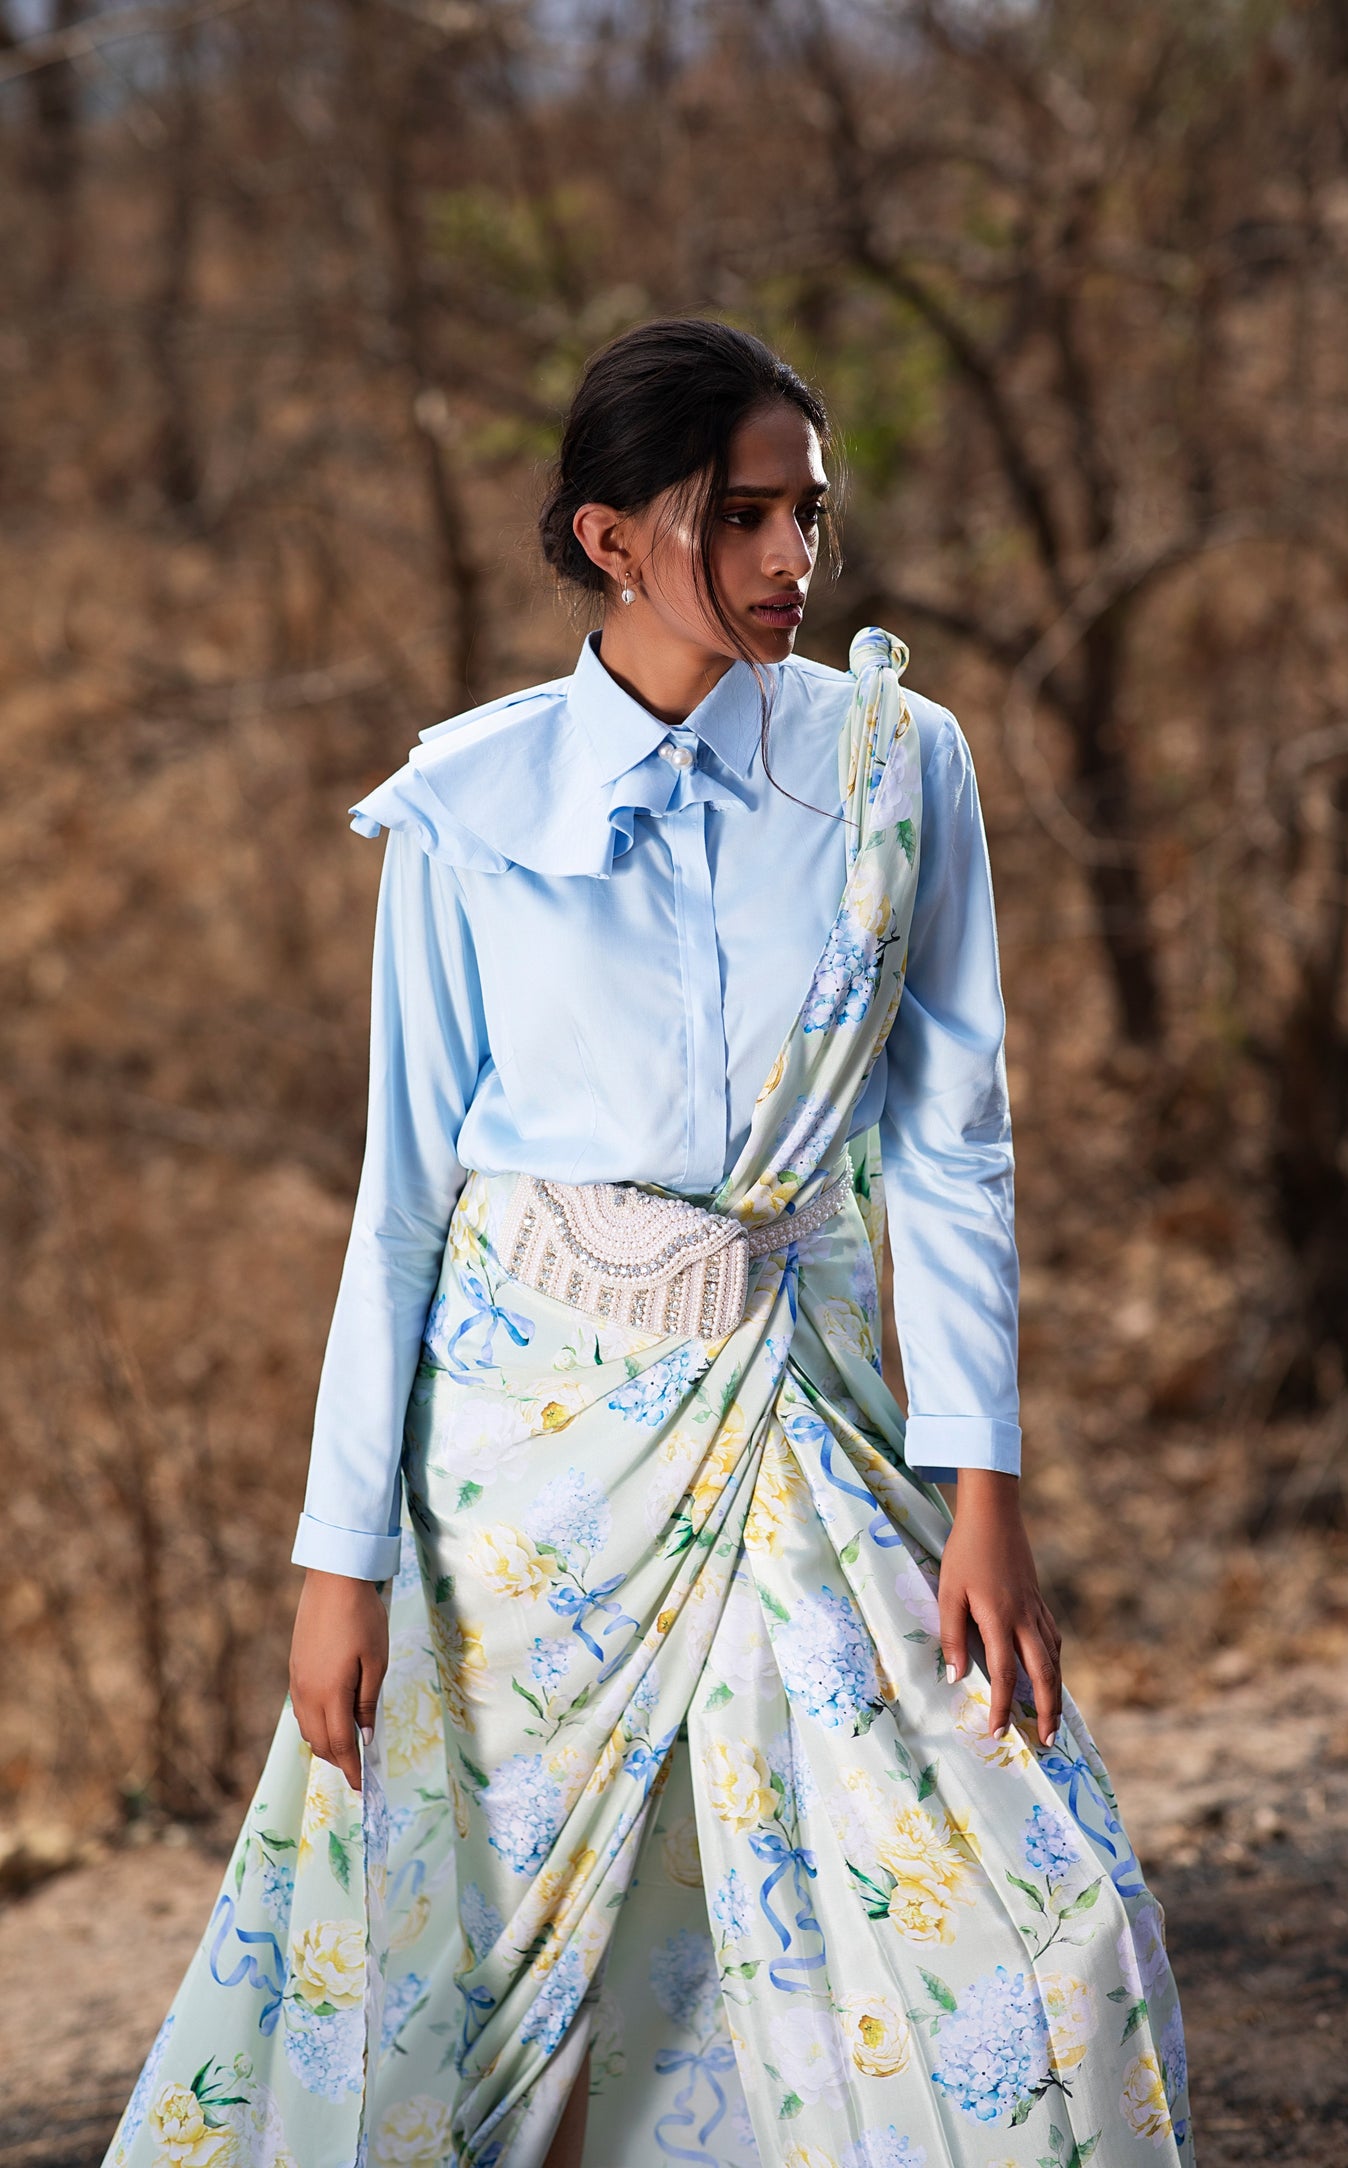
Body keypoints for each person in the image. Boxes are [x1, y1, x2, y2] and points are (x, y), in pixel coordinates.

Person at [105, 318, 1194, 2168]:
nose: (791, 562)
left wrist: (986, 1480)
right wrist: (338, 1559)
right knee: (487, 1973)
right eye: (742, 516)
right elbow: (403, 1203)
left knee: (1040, 1925)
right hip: (517, 1484)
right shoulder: (468, 807)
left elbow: (949, 1149)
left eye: (810, 516)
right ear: (612, 538)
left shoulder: (892, 769)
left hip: (808, 1423)